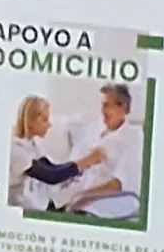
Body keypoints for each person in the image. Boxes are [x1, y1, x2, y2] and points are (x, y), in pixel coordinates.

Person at [59, 84, 142, 221]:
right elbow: (73, 163)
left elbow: (118, 184)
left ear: (124, 108)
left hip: (112, 198)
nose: (102, 111)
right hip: (80, 193)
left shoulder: (134, 136)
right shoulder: (94, 129)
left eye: (107, 105)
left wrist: (83, 196)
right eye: (102, 105)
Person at [5, 95, 78, 212]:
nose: (49, 124)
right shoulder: (15, 149)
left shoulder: (32, 143)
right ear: (31, 120)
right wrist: (88, 160)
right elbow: (51, 175)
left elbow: (51, 167)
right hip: (17, 206)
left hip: (31, 202)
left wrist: (77, 168)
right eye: (44, 119)